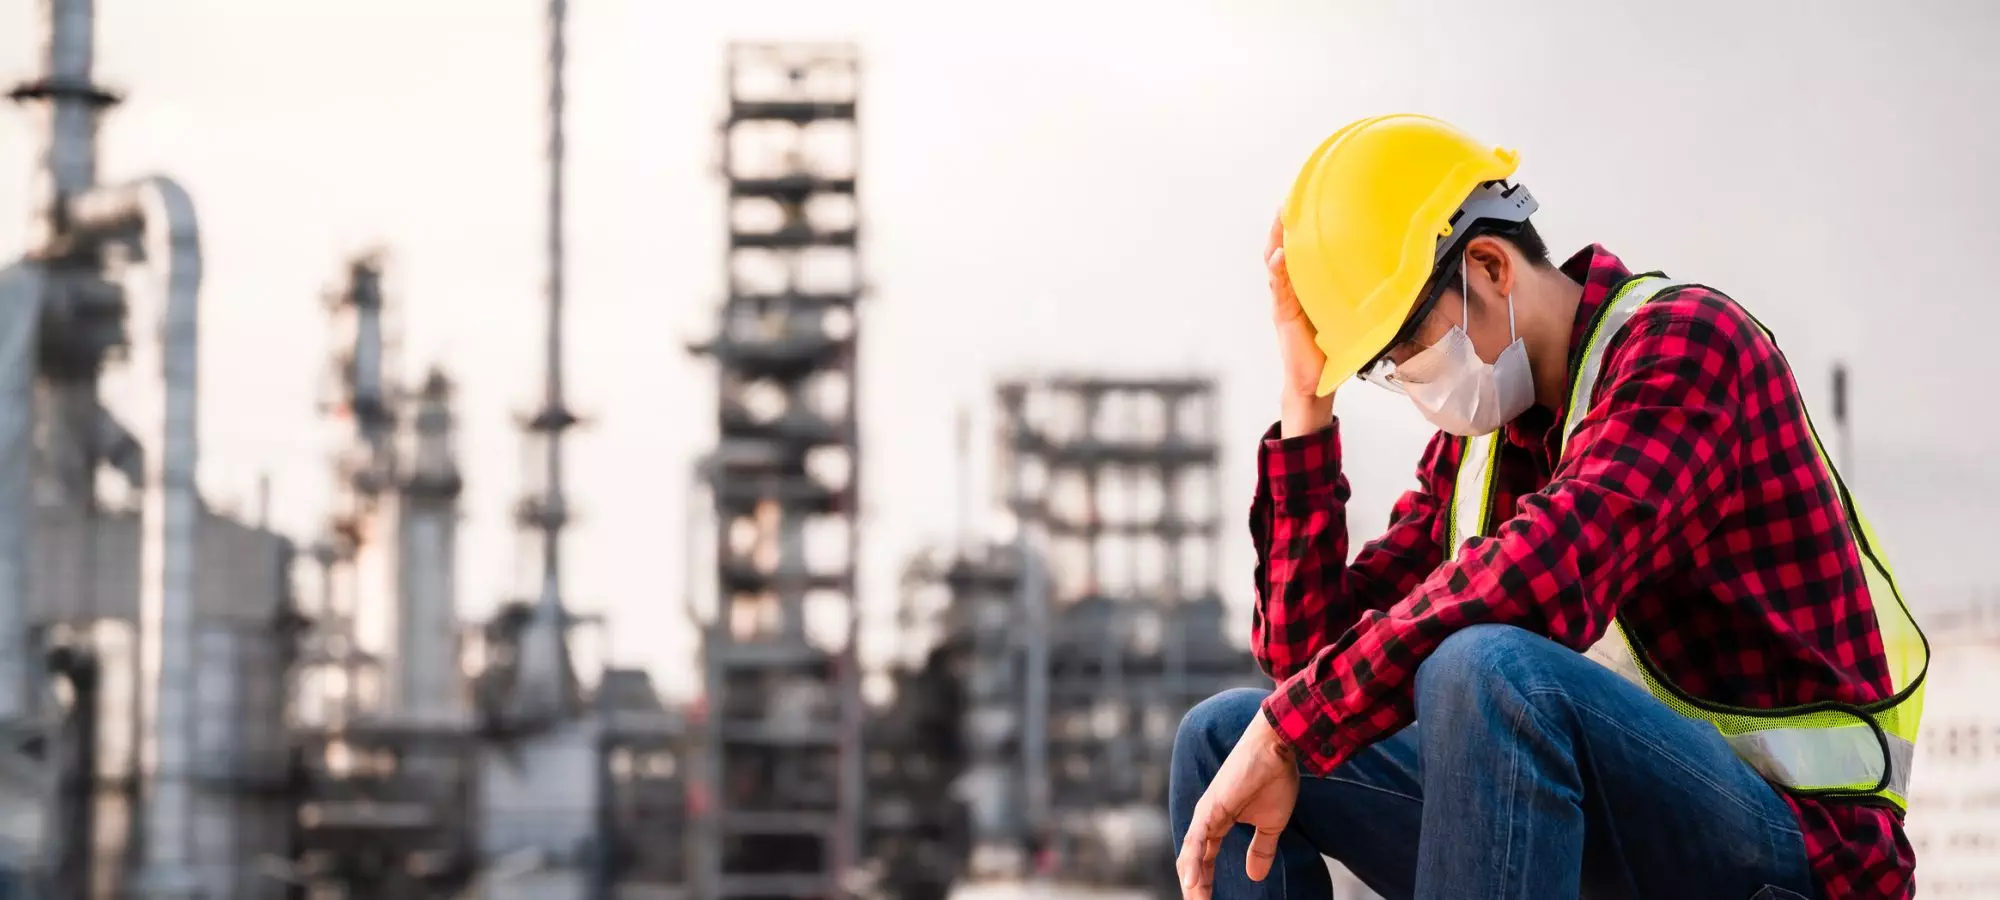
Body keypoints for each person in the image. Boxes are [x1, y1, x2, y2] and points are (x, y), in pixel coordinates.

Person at [1169, 114, 1927, 900]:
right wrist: (1306, 404)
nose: (1414, 386)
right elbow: (1307, 665)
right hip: (1605, 832)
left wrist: (1296, 724)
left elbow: (1544, 578)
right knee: (1221, 738)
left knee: (1485, 665)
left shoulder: (1686, 350)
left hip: (1793, 850)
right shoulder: (1482, 449)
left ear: (1491, 265)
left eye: (1407, 350)